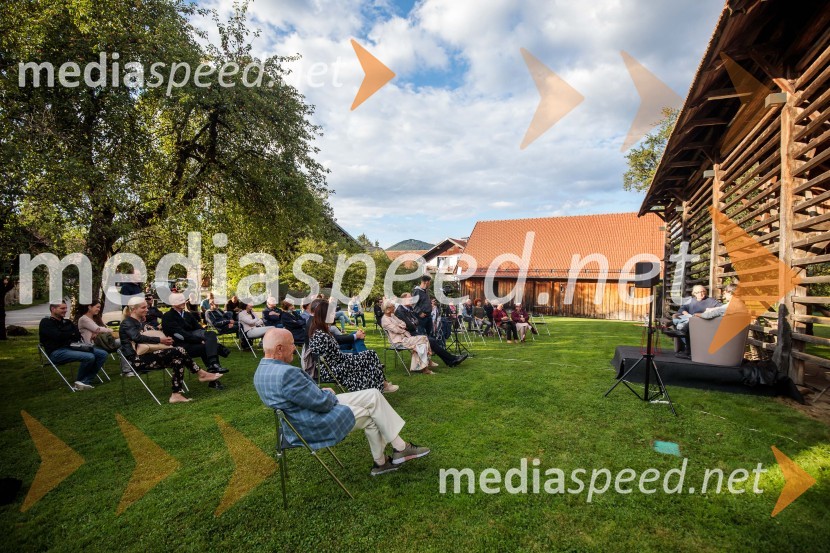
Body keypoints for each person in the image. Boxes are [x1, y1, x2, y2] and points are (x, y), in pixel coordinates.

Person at [253, 328, 430, 476]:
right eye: (292, 344)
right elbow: (322, 404)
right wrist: (326, 394)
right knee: (373, 415)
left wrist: (321, 392)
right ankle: (387, 459)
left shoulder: (262, 371)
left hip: (303, 413)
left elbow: (301, 397)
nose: (295, 347)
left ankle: (399, 450)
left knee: (373, 395)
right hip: (314, 422)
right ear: (279, 348)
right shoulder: (287, 374)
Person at [120, 296, 222, 403]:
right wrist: (161, 340)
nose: (147, 309)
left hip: (147, 355)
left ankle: (176, 395)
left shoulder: (138, 322)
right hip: (137, 360)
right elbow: (137, 338)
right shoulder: (128, 323)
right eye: (143, 308)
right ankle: (201, 374)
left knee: (178, 359)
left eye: (146, 307)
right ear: (134, 309)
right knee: (179, 350)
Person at [307, 300, 397, 393]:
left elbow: (335, 356)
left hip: (335, 364)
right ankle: (379, 386)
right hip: (332, 370)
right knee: (368, 357)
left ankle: (380, 385)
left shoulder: (320, 331)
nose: (334, 314)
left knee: (370, 354)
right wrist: (356, 356)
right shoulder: (322, 335)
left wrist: (357, 356)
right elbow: (336, 358)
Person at [38, 301, 107, 390]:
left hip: (73, 347)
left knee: (102, 354)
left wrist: (67, 334)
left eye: (66, 308)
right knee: (89, 357)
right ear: (53, 309)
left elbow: (77, 335)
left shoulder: (67, 322)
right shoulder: (46, 322)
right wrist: (70, 334)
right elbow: (58, 336)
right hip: (56, 352)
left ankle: (85, 381)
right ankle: (81, 382)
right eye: (62, 308)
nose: (65, 310)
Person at [161, 293, 229, 374]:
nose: (183, 302)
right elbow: (180, 334)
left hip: (193, 340)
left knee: (211, 334)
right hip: (180, 345)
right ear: (172, 302)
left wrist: (203, 338)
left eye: (183, 300)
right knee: (207, 347)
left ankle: (213, 365)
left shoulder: (188, 314)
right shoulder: (168, 316)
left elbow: (198, 328)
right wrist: (199, 340)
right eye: (180, 300)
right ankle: (215, 363)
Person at [393, 296, 468, 368]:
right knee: (431, 341)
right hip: (407, 336)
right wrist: (413, 323)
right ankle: (451, 360)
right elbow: (409, 325)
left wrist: (413, 323)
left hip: (413, 333)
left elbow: (417, 321)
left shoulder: (408, 309)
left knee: (432, 340)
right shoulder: (400, 311)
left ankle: (451, 360)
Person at [382, 300, 437, 373]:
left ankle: (422, 367)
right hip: (398, 342)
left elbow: (403, 324)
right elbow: (397, 330)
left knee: (422, 344)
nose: (394, 307)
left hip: (405, 338)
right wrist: (400, 327)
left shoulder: (392, 315)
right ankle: (427, 363)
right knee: (424, 339)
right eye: (393, 306)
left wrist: (400, 326)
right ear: (388, 309)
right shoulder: (385, 320)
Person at [673, 285, 721, 358]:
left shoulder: (711, 301)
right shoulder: (691, 301)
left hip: (703, 322)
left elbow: (722, 307)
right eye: (698, 292)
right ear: (694, 293)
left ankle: (688, 350)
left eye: (703, 291)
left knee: (683, 326)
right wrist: (687, 314)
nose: (701, 294)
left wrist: (711, 310)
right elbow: (682, 309)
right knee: (681, 325)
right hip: (691, 319)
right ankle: (687, 348)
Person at [0, 276, 14, 340]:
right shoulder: (2, 288)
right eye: (5, 280)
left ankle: (2, 336)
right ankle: (2, 336)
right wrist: (10, 279)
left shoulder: (2, 288)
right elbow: (10, 286)